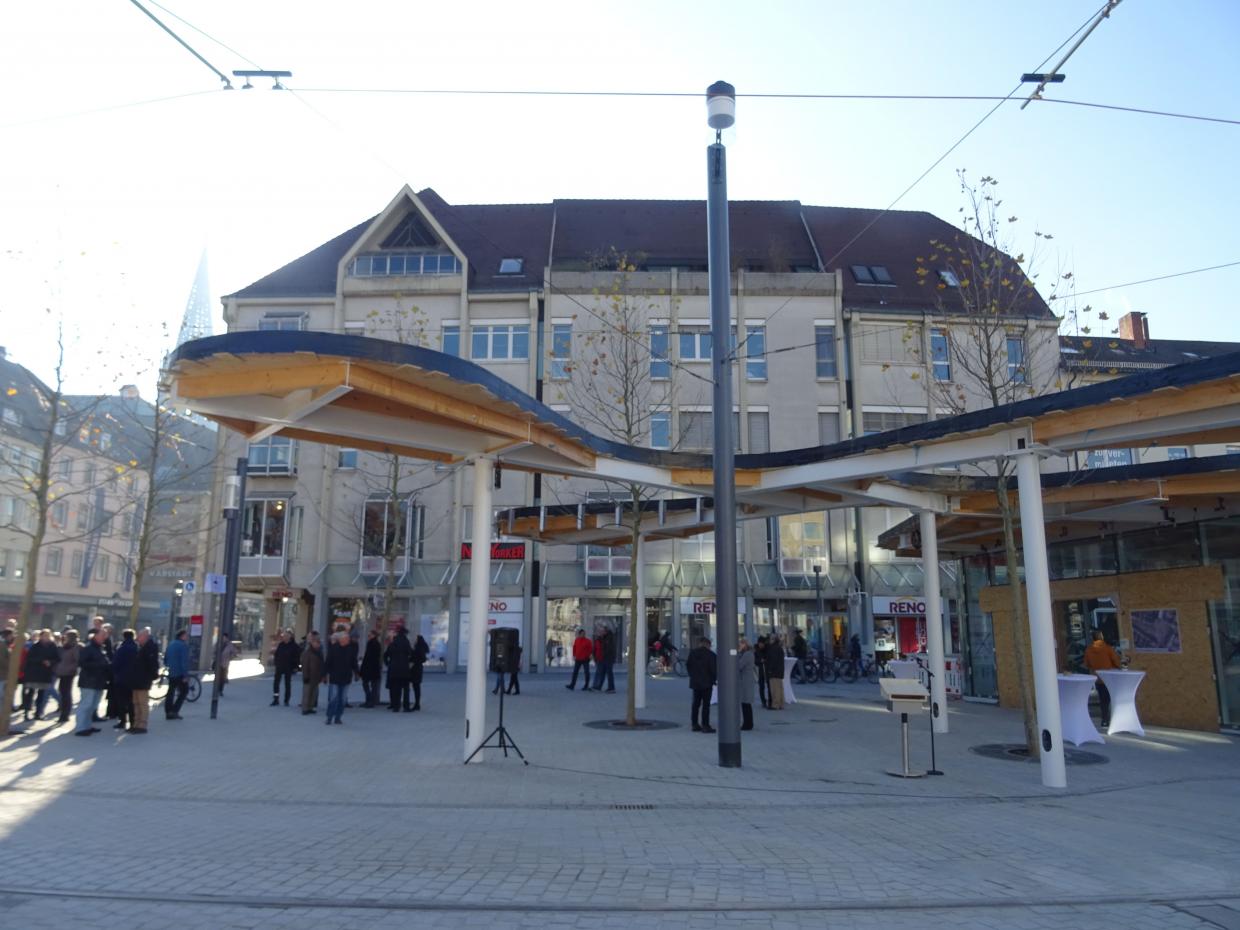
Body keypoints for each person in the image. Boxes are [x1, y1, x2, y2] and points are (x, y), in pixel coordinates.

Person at [73, 628, 110, 736]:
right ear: (96, 636)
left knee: (92, 705)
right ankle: (80, 728)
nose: (104, 637)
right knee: (86, 704)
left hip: (98, 681)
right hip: (88, 681)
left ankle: (87, 726)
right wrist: (100, 665)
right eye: (103, 635)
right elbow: (82, 663)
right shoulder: (88, 648)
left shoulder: (100, 648)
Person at [1083, 630, 1123, 727]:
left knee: (1103, 699)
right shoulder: (1107, 649)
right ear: (1101, 637)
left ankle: (1104, 719)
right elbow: (1116, 662)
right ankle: (1115, 719)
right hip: (1110, 678)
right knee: (1112, 698)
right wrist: (1120, 667)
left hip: (1099, 678)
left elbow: (1086, 664)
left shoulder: (1088, 650)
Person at [22, 629, 58, 721]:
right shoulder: (35, 646)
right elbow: (30, 659)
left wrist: (50, 662)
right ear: (41, 636)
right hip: (34, 672)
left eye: (48, 635)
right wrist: (41, 660)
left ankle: (38, 713)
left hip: (45, 673)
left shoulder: (52, 646)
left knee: (41, 694)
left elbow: (57, 658)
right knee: (30, 693)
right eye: (44, 635)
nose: (46, 637)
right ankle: (26, 712)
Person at [130, 627, 161, 734]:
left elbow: (152, 665)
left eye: (140, 636)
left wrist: (151, 677)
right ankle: (136, 723)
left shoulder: (150, 648)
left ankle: (142, 725)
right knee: (136, 703)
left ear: (145, 636)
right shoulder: (141, 647)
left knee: (142, 703)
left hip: (143, 680)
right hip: (137, 679)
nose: (137, 638)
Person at [323, 630, 358, 725]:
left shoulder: (350, 650)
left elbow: (354, 663)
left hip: (346, 678)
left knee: (342, 700)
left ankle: (338, 717)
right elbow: (327, 663)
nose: (348, 640)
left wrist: (356, 673)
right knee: (333, 698)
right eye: (346, 639)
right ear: (341, 640)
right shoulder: (334, 649)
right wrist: (324, 675)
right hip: (335, 677)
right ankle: (329, 717)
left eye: (348, 639)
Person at [686, 636, 717, 733]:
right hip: (707, 683)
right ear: (708, 645)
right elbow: (714, 670)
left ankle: (694, 724)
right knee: (706, 705)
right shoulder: (711, 655)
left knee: (696, 704)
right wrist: (713, 680)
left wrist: (693, 676)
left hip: (696, 683)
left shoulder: (693, 653)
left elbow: (688, 665)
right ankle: (705, 725)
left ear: (700, 643)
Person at [111, 630, 137, 730]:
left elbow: (115, 663)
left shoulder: (121, 648)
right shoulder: (136, 648)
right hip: (133, 678)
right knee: (131, 701)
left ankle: (122, 721)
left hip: (121, 678)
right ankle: (132, 722)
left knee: (121, 701)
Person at [53, 629, 81, 725]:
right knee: (62, 692)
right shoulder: (65, 646)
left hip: (68, 673)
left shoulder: (75, 647)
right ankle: (63, 713)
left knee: (66, 693)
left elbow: (77, 660)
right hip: (62, 671)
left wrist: (71, 668)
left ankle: (65, 714)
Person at [384, 625, 414, 712]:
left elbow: (386, 655)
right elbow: (410, 653)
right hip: (404, 669)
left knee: (396, 689)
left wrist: (388, 664)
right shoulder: (406, 642)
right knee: (406, 689)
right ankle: (406, 706)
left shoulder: (393, 643)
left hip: (394, 669)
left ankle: (396, 707)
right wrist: (409, 662)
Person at [164, 629, 190, 720]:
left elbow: (166, 658)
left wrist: (168, 666)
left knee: (170, 692)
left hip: (171, 672)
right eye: (186, 635)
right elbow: (184, 662)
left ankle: (168, 712)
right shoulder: (183, 646)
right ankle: (175, 711)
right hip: (180, 673)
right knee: (184, 691)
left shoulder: (171, 644)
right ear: (182, 636)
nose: (187, 637)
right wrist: (185, 675)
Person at [270, 629, 300, 707]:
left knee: (287, 684)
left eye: (286, 636)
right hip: (279, 666)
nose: (284, 637)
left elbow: (297, 657)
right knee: (276, 682)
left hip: (288, 667)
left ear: (290, 637)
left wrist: (295, 667)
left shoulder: (294, 646)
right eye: (284, 636)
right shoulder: (281, 645)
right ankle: (276, 699)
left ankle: (286, 700)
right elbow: (277, 654)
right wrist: (276, 663)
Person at [299, 630, 324, 715]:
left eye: (319, 643)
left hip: (316, 676)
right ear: (313, 643)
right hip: (309, 676)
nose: (318, 644)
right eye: (317, 643)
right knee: (307, 693)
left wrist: (321, 675)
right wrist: (305, 676)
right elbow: (305, 665)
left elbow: (321, 664)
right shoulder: (308, 652)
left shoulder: (319, 652)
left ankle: (310, 707)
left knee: (314, 693)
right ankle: (305, 708)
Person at [359, 629, 382, 707]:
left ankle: (369, 700)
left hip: (369, 668)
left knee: (366, 684)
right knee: (373, 685)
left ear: (373, 635)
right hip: (374, 668)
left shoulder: (371, 644)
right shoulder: (377, 644)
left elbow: (368, 657)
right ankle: (371, 700)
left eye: (369, 635)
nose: (368, 636)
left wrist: (363, 667)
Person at [737, 636, 756, 731]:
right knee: (745, 703)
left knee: (745, 703)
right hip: (745, 680)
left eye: (742, 643)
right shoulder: (748, 653)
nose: (740, 644)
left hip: (745, 681)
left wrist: (738, 653)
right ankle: (748, 723)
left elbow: (739, 665)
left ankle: (747, 724)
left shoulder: (747, 654)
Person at [765, 634, 786, 710]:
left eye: (771, 639)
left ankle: (775, 704)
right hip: (779, 671)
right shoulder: (779, 648)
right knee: (780, 688)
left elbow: (772, 660)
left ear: (773, 640)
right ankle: (781, 704)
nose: (769, 640)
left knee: (774, 689)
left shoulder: (773, 648)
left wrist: (770, 670)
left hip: (774, 672)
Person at [592, 628, 616, 693]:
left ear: (605, 632)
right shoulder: (603, 639)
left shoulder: (608, 639)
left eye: (602, 631)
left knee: (608, 673)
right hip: (603, 658)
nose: (600, 633)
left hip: (607, 658)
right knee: (602, 673)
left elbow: (608, 649)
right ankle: (598, 687)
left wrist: (603, 655)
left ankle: (611, 688)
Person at [410, 633, 429, 710]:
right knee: (416, 687)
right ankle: (417, 704)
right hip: (418, 669)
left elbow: (420, 658)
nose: (414, 640)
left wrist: (413, 660)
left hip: (416, 669)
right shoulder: (421, 648)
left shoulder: (418, 649)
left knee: (416, 687)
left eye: (415, 639)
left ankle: (417, 704)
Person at [755, 635, 770, 708]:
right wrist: (760, 661)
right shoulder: (756, 650)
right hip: (761, 670)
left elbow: (770, 658)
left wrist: (766, 660)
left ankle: (770, 700)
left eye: (761, 643)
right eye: (759, 643)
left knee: (769, 685)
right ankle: (763, 701)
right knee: (761, 686)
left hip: (767, 670)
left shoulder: (768, 649)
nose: (760, 645)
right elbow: (755, 661)